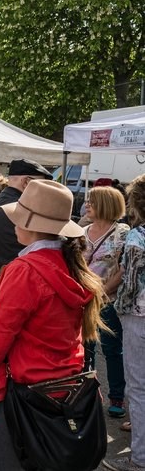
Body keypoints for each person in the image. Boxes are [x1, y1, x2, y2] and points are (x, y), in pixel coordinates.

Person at [0, 179, 106, 470]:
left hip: (21, 393)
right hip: (67, 390)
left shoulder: (25, 271)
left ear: (30, 224)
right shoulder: (71, 264)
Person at [104, 174, 145, 471]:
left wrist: (117, 307)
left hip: (138, 319)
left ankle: (140, 459)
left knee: (139, 389)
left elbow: (128, 286)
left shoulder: (136, 237)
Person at [81, 187, 129, 418]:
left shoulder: (122, 232)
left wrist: (103, 291)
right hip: (81, 301)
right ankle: (84, 395)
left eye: (93, 201)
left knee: (112, 350)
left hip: (108, 301)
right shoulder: (81, 232)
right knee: (83, 350)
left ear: (107, 204)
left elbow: (124, 268)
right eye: (88, 201)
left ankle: (117, 397)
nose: (87, 205)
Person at [0, 158, 52, 305]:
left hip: (3, 284)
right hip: (16, 287)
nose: (43, 189)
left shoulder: (0, 201)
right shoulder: (18, 207)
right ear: (26, 182)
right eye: (41, 184)